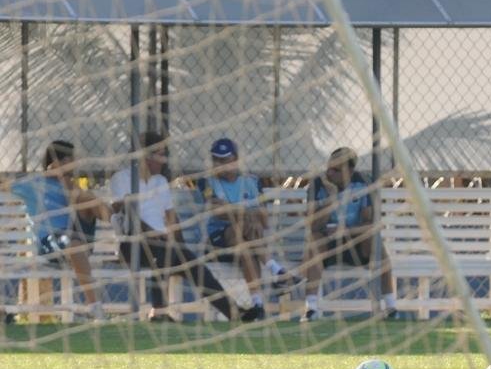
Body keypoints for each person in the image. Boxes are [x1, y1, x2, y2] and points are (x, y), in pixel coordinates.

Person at [109, 131, 264, 323]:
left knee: (197, 268)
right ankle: (159, 312)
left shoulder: (161, 182)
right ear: (145, 155)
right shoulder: (122, 179)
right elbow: (122, 213)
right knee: (161, 246)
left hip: (164, 245)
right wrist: (154, 235)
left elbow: (172, 220)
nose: (164, 160)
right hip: (133, 244)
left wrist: (182, 248)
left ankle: (234, 313)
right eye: (160, 154)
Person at [300, 147, 401, 321]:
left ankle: (391, 306)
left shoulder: (363, 183)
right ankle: (311, 308)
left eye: (336, 170)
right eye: (329, 168)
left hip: (355, 242)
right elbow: (313, 226)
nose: (330, 173)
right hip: (328, 244)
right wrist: (331, 199)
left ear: (350, 171)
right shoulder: (318, 184)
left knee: (375, 240)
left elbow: (371, 224)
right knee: (315, 241)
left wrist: (345, 230)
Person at [197, 137, 296, 315]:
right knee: (243, 224)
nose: (218, 164)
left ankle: (257, 305)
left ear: (235, 159)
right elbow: (217, 212)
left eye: (223, 159)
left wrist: (233, 209)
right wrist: (247, 212)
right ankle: (276, 269)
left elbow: (264, 219)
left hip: (245, 242)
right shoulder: (207, 182)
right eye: (215, 159)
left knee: (246, 245)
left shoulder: (251, 181)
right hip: (217, 241)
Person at [10, 140, 110, 315]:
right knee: (74, 244)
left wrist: (65, 181)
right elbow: (7, 185)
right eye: (70, 160)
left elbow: (83, 206)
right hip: (51, 242)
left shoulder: (72, 186)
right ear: (58, 161)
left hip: (77, 235)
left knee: (86, 199)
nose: (74, 164)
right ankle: (94, 306)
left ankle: (117, 220)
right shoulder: (34, 183)